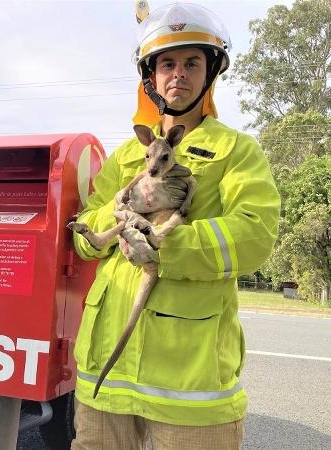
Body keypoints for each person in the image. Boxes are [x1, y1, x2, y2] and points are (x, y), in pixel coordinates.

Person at [70, 2, 280, 449]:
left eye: (191, 63)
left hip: (190, 384)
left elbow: (254, 234)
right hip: (107, 374)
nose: (178, 74)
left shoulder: (236, 151)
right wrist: (123, 211)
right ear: (151, 77)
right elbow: (84, 235)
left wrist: (164, 242)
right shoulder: (127, 154)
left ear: (210, 73)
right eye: (167, 63)